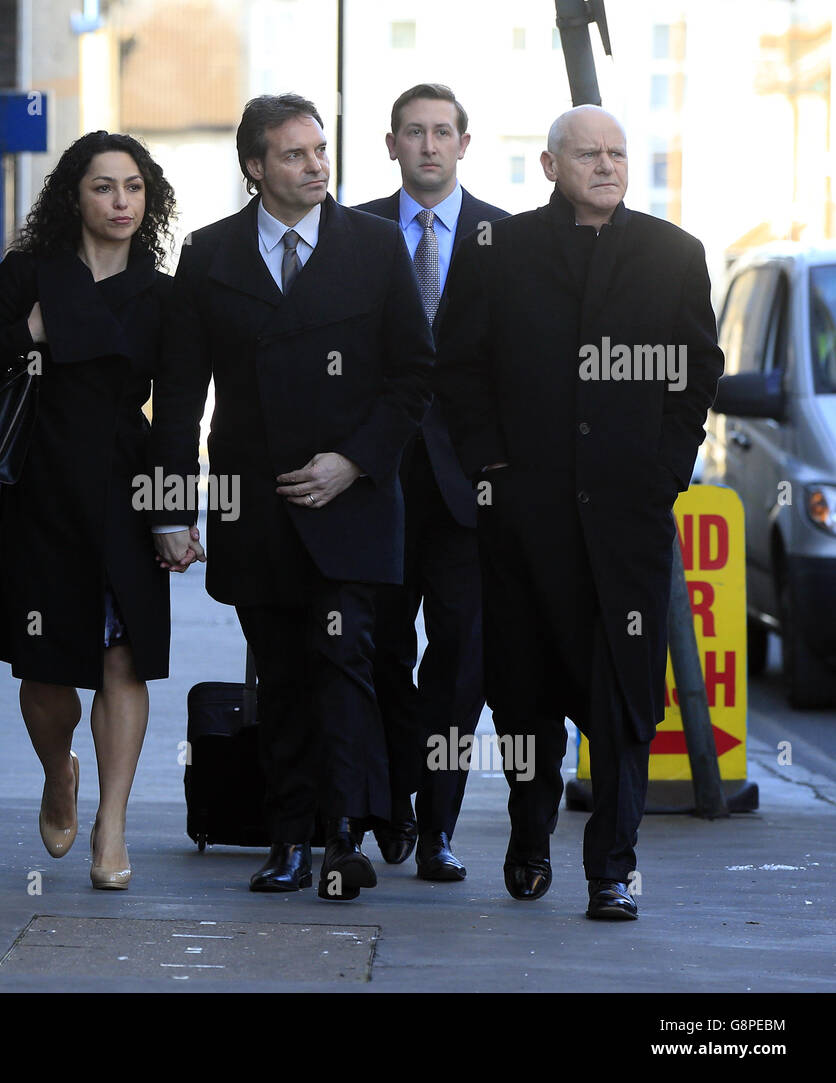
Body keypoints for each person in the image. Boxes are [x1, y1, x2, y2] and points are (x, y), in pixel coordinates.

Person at [436, 105, 723, 919]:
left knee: (626, 698)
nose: (606, 165)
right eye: (589, 153)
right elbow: (457, 364)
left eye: (617, 153)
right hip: (526, 519)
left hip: (628, 522)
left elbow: (696, 373)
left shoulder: (674, 254)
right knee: (524, 693)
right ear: (550, 165)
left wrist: (665, 470)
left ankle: (612, 870)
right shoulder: (498, 249)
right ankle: (530, 835)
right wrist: (490, 462)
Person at [149, 94, 434, 901]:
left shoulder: (374, 245)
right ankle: (286, 839)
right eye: (295, 154)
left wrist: (354, 462)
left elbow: (414, 375)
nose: (316, 166)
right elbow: (179, 396)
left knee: (343, 662)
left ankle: (342, 835)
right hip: (256, 503)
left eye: (320, 150)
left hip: (351, 503)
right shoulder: (209, 254)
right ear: (255, 166)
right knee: (278, 676)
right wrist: (171, 509)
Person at [0, 131, 176, 890]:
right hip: (44, 487)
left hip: (127, 486)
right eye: (103, 187)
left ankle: (112, 824)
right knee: (44, 669)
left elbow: (179, 411)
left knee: (125, 657)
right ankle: (59, 770)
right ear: (74, 196)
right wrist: (30, 329)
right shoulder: (30, 272)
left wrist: (173, 511)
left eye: (133, 187)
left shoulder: (163, 293)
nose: (121, 202)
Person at [356, 84, 507, 881]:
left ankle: (438, 824)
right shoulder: (354, 232)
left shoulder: (505, 239)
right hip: (375, 484)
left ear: (464, 143)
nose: (428, 145)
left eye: (442, 132)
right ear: (391, 144)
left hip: (468, 492)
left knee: (460, 660)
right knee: (379, 649)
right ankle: (393, 804)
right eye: (413, 132)